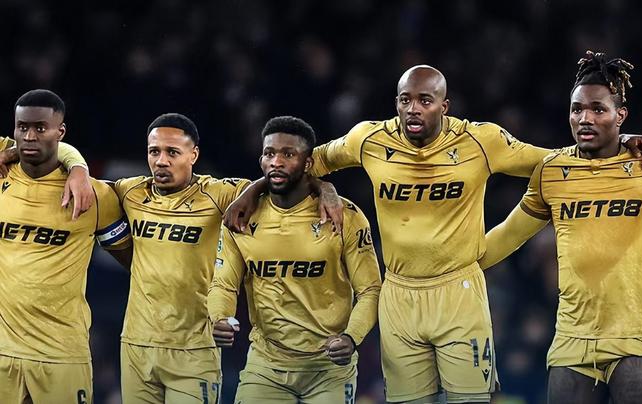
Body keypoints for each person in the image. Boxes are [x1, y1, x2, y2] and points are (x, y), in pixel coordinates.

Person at [225, 65, 642, 404]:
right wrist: (260, 189)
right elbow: (302, 162)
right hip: (399, 293)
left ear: (444, 106)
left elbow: (557, 161)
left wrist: (621, 141)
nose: (413, 109)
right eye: (405, 100)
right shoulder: (368, 139)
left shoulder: (482, 141)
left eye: (424, 100)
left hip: (459, 291)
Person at [112, 113, 343, 404]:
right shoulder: (130, 192)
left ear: (193, 155)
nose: (161, 161)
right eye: (154, 151)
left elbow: (280, 182)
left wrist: (326, 188)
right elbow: (86, 183)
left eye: (172, 152)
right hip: (136, 345)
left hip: (195, 347)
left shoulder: (219, 194)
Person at [478, 51, 642, 404]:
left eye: (598, 109)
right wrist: (450, 266)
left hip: (637, 335)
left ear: (620, 115)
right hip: (573, 340)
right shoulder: (552, 171)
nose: (585, 118)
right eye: (577, 109)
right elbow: (509, 235)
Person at [208, 116, 382, 403]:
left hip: (328, 367)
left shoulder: (345, 216)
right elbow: (223, 284)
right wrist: (219, 317)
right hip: (266, 365)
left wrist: (351, 337)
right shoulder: (240, 217)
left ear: (308, 163)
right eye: (269, 154)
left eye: (288, 154)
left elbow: (370, 290)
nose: (276, 162)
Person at [0, 89, 132, 403]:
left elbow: (135, 263)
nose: (29, 136)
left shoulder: (95, 196)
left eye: (40, 128)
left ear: (60, 132)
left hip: (61, 354)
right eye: (22, 128)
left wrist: (78, 167)